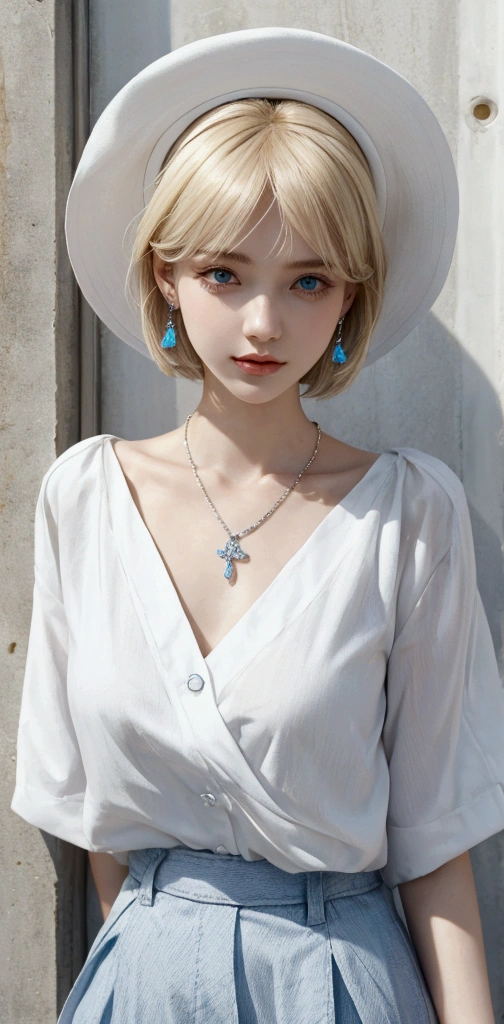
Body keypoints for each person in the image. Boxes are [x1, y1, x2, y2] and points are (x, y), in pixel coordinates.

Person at [11, 27, 504, 1024]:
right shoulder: (84, 500)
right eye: (226, 274)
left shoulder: (407, 516)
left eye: (308, 281)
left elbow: (436, 841)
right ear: (165, 275)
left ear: (351, 296)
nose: (265, 325)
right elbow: (97, 830)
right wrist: (174, 942)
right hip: (140, 979)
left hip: (338, 983)